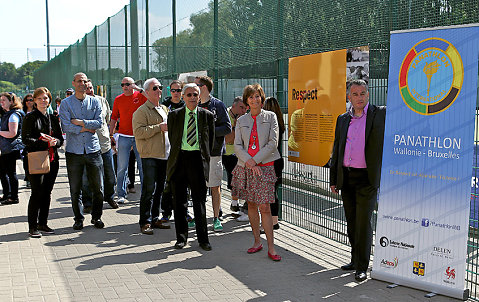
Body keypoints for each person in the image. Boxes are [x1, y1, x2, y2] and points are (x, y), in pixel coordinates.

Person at [329, 79, 386, 282]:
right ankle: (354, 259)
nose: (359, 97)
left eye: (363, 93)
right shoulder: (343, 119)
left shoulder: (380, 114)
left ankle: (362, 266)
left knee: (363, 223)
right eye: (355, 94)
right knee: (351, 223)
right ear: (348, 97)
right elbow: (337, 150)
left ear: (368, 95)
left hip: (367, 179)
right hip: (347, 177)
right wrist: (334, 179)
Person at [231, 84, 281, 261]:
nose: (254, 100)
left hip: (265, 167)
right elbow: (237, 145)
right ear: (246, 100)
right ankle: (256, 241)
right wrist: (249, 162)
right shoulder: (241, 120)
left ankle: (271, 247)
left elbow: (272, 142)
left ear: (262, 98)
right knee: (251, 205)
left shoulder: (271, 117)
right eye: (251, 97)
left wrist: (256, 160)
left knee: (265, 207)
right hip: (246, 167)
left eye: (257, 96)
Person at [167, 83, 214, 251]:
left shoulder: (207, 116)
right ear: (183, 97)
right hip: (179, 160)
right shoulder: (174, 116)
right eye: (189, 95)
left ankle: (203, 239)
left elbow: (210, 140)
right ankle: (181, 238)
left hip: (198, 161)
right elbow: (173, 139)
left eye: (195, 94)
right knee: (179, 202)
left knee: (199, 201)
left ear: (199, 97)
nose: (192, 98)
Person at [59, 72, 105, 230]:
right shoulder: (66, 104)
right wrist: (86, 128)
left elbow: (99, 122)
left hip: (93, 150)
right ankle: (78, 218)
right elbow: (66, 127)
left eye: (84, 81)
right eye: (79, 81)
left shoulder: (95, 101)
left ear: (87, 84)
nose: (82, 84)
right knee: (75, 188)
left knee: (98, 187)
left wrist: (80, 123)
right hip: (74, 152)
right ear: (73, 83)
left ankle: (97, 217)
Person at [22, 87, 63, 238]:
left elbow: (60, 139)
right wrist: (46, 143)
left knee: (47, 193)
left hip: (53, 159)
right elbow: (26, 140)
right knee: (37, 193)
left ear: (49, 100)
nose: (42, 101)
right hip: (36, 160)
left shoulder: (53, 117)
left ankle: (43, 223)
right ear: (34, 101)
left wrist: (55, 141)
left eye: (45, 98)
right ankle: (32, 226)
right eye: (39, 98)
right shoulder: (30, 117)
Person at [132, 78, 170, 234]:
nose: (159, 90)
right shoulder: (141, 111)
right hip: (150, 156)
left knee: (160, 189)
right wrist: (158, 127)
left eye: (160, 87)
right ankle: (145, 221)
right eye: (155, 88)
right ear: (146, 92)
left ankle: (155, 218)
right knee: (149, 190)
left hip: (164, 155)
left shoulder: (164, 109)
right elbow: (139, 133)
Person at [195, 76, 231, 232]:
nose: (193, 88)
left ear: (204, 87)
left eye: (196, 85)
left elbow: (227, 128)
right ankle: (198, 217)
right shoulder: (191, 104)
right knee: (197, 188)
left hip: (214, 153)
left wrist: (208, 132)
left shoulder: (218, 105)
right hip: (195, 153)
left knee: (215, 187)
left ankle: (216, 218)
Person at [82, 80, 118, 210]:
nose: (89, 90)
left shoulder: (102, 101)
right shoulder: (79, 105)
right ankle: (87, 202)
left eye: (91, 88)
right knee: (86, 176)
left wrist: (111, 136)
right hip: (88, 146)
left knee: (110, 176)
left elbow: (108, 120)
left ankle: (109, 197)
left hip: (104, 144)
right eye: (86, 88)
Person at [109, 77, 147, 204]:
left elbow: (152, 99)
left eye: (128, 84)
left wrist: (139, 89)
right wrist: (111, 135)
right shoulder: (118, 99)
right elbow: (114, 117)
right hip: (124, 137)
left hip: (140, 136)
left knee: (142, 167)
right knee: (122, 167)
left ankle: (145, 195)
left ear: (133, 85)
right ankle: (121, 194)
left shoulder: (140, 96)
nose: (125, 86)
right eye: (122, 84)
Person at [159, 80, 185, 224]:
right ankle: (166, 212)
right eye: (173, 90)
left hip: (184, 149)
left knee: (184, 184)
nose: (176, 93)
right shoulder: (164, 106)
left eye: (178, 90)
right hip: (169, 150)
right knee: (168, 183)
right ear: (170, 91)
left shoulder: (186, 105)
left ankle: (184, 211)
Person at [222, 96, 247, 217]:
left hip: (238, 153)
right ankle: (224, 206)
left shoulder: (244, 118)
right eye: (241, 107)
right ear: (234, 106)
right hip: (226, 152)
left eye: (245, 108)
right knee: (228, 180)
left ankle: (235, 204)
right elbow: (228, 139)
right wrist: (236, 127)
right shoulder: (225, 115)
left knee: (236, 180)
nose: (244, 111)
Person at [263, 96, 285, 230]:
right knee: (273, 192)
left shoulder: (268, 124)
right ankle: (274, 221)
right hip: (278, 160)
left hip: (269, 161)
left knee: (267, 193)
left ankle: (269, 222)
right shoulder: (280, 123)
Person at [0, 92, 25, 205]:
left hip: (11, 148)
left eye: (4, 100)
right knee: (4, 172)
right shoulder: (8, 113)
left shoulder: (13, 115)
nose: (1, 102)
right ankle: (7, 195)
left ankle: (13, 196)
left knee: (11, 173)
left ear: (11, 102)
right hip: (7, 147)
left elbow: (12, 133)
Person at [22, 94, 35, 188]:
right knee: (26, 161)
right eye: (27, 100)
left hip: (33, 140)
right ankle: (28, 178)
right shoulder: (22, 113)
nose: (29, 102)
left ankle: (32, 178)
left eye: (31, 100)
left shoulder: (36, 112)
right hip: (23, 139)